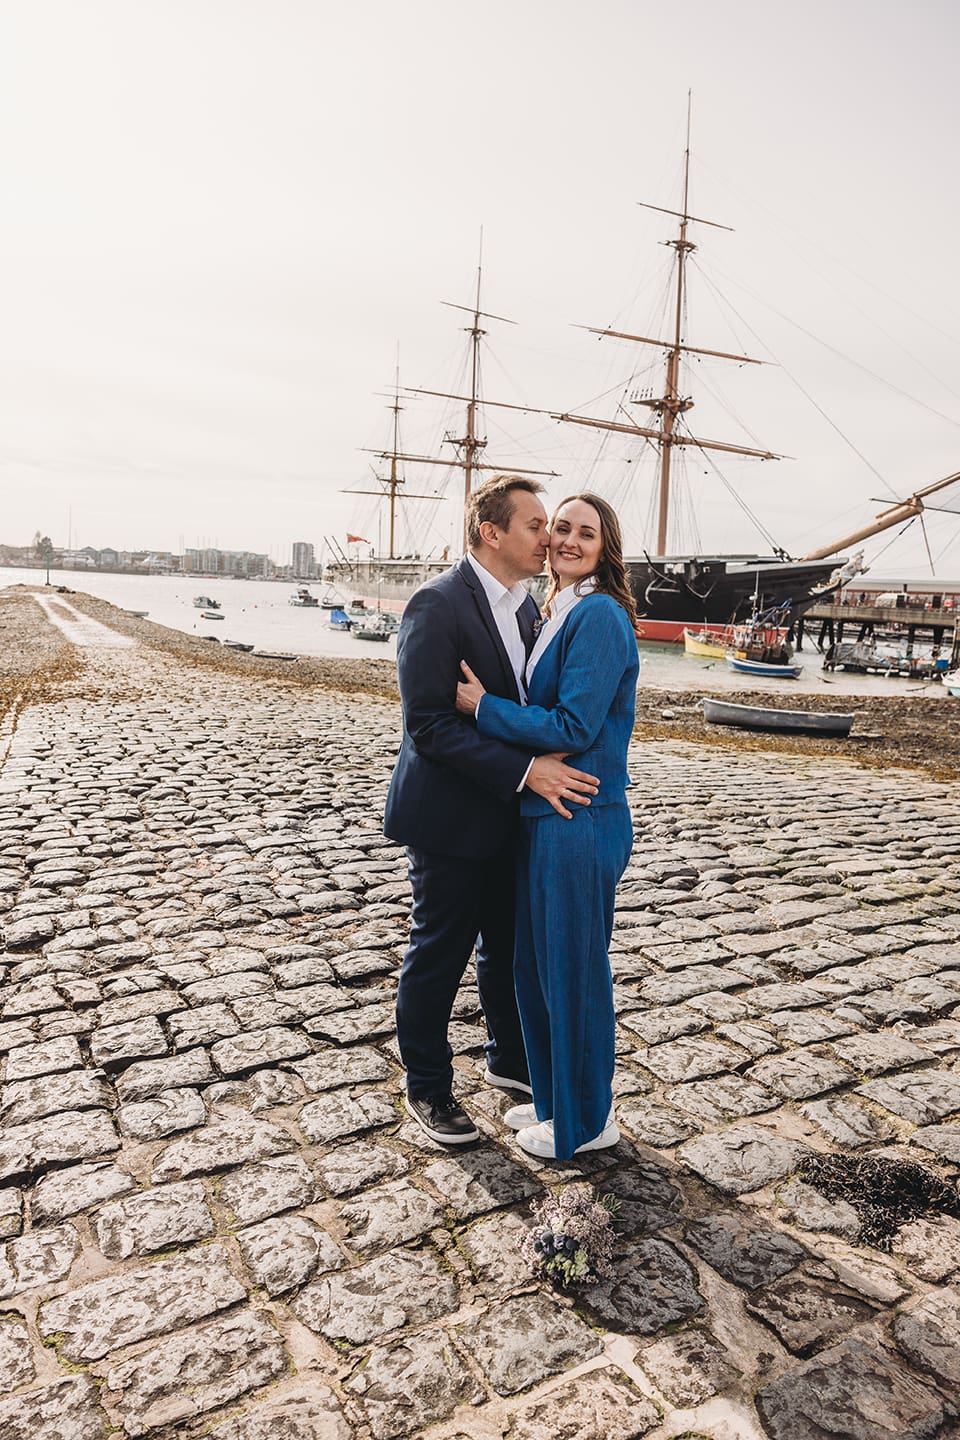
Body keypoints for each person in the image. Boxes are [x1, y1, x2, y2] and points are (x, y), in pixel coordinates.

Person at [384, 475, 601, 1145]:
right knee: (439, 952)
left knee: (508, 950)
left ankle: (510, 1062)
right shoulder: (438, 604)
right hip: (449, 818)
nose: (551, 537)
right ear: (492, 533)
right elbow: (428, 726)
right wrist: (527, 771)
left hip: (512, 818)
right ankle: (427, 1085)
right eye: (537, 525)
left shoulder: (533, 609)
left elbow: (528, 711)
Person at [456, 493, 639, 1160]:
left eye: (585, 533)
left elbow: (575, 727)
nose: (567, 539)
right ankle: (558, 1099)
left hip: (581, 817)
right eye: (560, 527)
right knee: (535, 968)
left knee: (573, 974)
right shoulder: (554, 610)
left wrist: (485, 709)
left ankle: (586, 1122)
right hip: (546, 814)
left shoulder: (599, 615)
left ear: (604, 548)